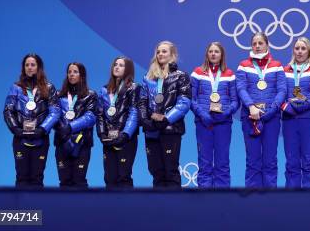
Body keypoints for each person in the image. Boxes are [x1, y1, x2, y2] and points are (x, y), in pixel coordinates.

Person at [236, 32, 286, 187]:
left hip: (271, 118)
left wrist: (271, 111)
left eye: (260, 43)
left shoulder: (277, 65)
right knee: (252, 160)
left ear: (267, 45)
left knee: (270, 159)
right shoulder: (243, 65)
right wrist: (251, 107)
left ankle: (270, 200)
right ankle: (253, 200)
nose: (257, 46)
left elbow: (282, 90)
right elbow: (241, 88)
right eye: (254, 44)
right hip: (250, 117)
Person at [138, 40, 191, 188]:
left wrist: (166, 119)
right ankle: (158, 208)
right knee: (156, 171)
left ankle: (174, 208)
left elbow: (184, 102)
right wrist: (145, 120)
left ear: (172, 55)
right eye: (158, 52)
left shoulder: (181, 76)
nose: (160, 54)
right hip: (151, 131)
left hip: (170, 129)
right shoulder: (148, 78)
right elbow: (142, 102)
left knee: (170, 171)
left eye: (164, 51)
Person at [3, 54, 60, 187]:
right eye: (26, 65)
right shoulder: (16, 87)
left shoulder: (49, 87)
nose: (29, 67)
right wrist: (15, 129)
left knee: (37, 178)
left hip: (40, 139)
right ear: (23, 68)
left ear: (38, 67)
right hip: (20, 138)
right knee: (21, 178)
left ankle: (37, 207)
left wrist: (42, 129)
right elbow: (8, 110)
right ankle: (22, 208)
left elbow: (55, 111)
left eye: (32, 65)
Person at [190, 42, 239, 188]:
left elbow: (235, 101)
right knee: (204, 162)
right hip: (203, 123)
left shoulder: (229, 74)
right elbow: (190, 99)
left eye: (216, 51)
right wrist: (202, 115)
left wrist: (226, 114)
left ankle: (222, 199)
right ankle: (204, 200)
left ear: (221, 55)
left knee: (222, 162)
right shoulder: (197, 72)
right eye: (210, 51)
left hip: (223, 124)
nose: (213, 54)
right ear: (207, 54)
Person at [281, 37, 310, 188]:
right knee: (292, 159)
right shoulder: (285, 70)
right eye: (297, 48)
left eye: (303, 48)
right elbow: (280, 93)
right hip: (289, 119)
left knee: (309, 158)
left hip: (308, 118)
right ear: (293, 50)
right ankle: (291, 198)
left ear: (309, 51)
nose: (299, 51)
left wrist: (305, 105)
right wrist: (288, 107)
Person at [96, 56, 139, 188]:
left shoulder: (134, 88)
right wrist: (102, 134)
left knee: (123, 177)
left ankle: (126, 207)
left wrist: (125, 134)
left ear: (128, 69)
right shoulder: (104, 90)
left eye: (121, 65)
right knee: (109, 177)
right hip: (109, 139)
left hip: (126, 139)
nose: (117, 67)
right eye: (115, 64)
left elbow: (134, 112)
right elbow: (100, 114)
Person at [54, 62, 97, 188]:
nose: (72, 75)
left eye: (75, 72)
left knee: (79, 181)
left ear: (82, 75)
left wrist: (69, 127)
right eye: (69, 72)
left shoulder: (91, 95)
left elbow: (90, 117)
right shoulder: (58, 95)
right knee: (64, 181)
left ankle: (81, 207)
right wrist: (63, 130)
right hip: (62, 142)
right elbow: (54, 115)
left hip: (82, 143)